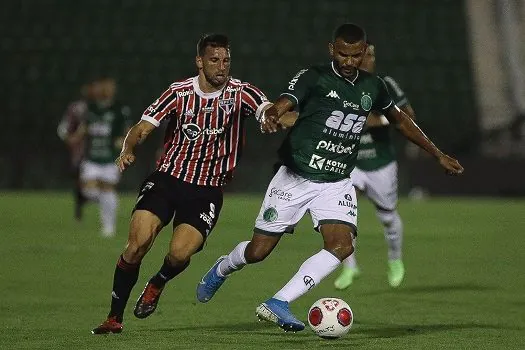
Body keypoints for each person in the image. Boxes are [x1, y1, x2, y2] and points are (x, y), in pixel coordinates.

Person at [196, 23, 464, 332]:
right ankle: (223, 267)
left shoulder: (374, 86)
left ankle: (279, 302)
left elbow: (401, 122)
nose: (349, 61)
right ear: (331, 50)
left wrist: (438, 153)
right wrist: (273, 115)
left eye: (356, 55)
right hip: (296, 176)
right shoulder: (314, 77)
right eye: (343, 54)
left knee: (342, 246)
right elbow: (286, 101)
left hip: (336, 181)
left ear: (364, 53)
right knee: (258, 251)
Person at [91, 33, 292, 334]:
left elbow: (265, 109)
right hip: (167, 179)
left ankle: (158, 282)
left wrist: (270, 118)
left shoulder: (241, 92)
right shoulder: (179, 93)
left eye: (226, 60)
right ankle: (114, 318)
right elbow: (143, 126)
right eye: (214, 60)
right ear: (199, 61)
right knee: (136, 245)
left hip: (206, 190)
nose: (222, 67)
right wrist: (129, 148)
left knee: (180, 254)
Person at [333, 42, 415, 290]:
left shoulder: (385, 84)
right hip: (350, 163)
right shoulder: (338, 86)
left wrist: (376, 119)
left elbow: (408, 115)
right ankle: (350, 267)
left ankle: (395, 260)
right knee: (340, 214)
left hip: (380, 163)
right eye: (364, 55)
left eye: (372, 55)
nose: (369, 60)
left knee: (388, 217)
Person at [77, 77, 131, 237]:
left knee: (107, 188)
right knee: (88, 191)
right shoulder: (90, 108)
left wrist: (124, 142)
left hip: (110, 158)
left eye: (109, 86)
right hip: (92, 158)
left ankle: (109, 227)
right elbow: (83, 128)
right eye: (103, 86)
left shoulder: (119, 109)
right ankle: (109, 204)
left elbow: (128, 131)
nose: (106, 89)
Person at [57, 83, 91, 221]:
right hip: (81, 151)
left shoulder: (103, 109)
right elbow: (63, 128)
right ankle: (80, 206)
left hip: (97, 151)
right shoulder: (76, 108)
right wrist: (70, 139)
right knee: (79, 179)